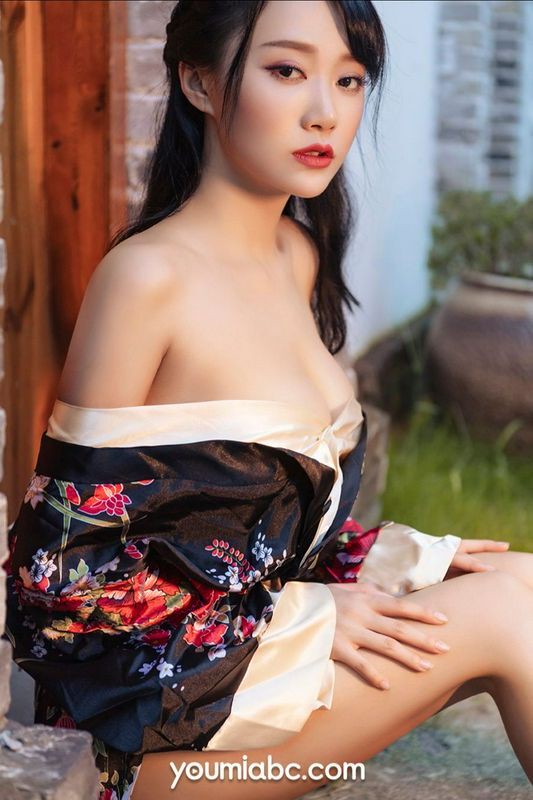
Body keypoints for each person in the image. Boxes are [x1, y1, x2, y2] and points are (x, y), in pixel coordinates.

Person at [3, 1, 532, 799]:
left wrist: (393, 560)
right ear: (199, 83)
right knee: (502, 615)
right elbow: (58, 577)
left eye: (349, 80)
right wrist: (304, 616)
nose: (325, 111)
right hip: (144, 740)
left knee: (519, 579)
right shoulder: (147, 280)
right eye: (286, 70)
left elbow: (240, 524)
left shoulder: (296, 254)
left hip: (252, 676)